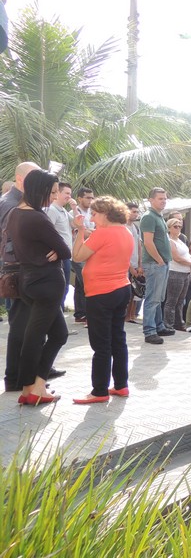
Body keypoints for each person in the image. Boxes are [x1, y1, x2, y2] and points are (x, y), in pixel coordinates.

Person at [7, 169, 71, 405]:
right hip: (46, 283)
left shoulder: (15, 213)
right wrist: (56, 251)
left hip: (29, 280)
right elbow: (65, 250)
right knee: (36, 337)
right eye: (51, 192)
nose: (54, 197)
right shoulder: (37, 218)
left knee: (57, 334)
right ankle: (31, 389)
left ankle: (35, 386)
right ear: (39, 190)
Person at [71, 196, 133, 404]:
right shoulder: (126, 231)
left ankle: (99, 391)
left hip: (101, 293)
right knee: (118, 338)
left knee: (101, 343)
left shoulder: (102, 233)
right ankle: (121, 385)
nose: (92, 218)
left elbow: (77, 256)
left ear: (106, 213)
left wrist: (80, 230)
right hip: (121, 288)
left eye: (95, 214)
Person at [140, 187, 172, 344]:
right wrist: (159, 260)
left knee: (159, 298)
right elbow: (147, 242)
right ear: (151, 200)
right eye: (160, 198)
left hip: (162, 262)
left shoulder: (159, 216)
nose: (163, 201)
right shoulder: (149, 217)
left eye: (165, 198)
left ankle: (159, 326)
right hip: (154, 263)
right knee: (152, 299)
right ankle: (149, 331)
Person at [45, 181, 75, 309]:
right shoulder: (52, 210)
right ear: (58, 193)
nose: (69, 196)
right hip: (59, 256)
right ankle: (56, 316)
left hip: (66, 255)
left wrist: (74, 208)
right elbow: (47, 233)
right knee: (60, 289)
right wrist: (56, 250)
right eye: (66, 193)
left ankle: (58, 315)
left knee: (64, 288)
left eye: (70, 194)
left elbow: (77, 224)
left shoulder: (63, 210)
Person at [164, 217, 191, 331]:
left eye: (180, 226)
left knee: (180, 301)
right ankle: (168, 324)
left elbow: (187, 254)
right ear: (169, 228)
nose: (178, 228)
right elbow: (176, 258)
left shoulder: (180, 241)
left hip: (185, 273)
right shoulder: (169, 241)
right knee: (172, 301)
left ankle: (179, 323)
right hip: (175, 273)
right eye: (175, 226)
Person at [70, 186, 94, 324]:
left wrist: (89, 231)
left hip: (89, 252)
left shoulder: (92, 212)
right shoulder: (73, 212)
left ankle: (80, 314)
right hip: (78, 253)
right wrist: (88, 231)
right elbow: (83, 232)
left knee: (80, 285)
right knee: (87, 283)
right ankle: (89, 315)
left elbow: (94, 231)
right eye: (87, 197)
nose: (90, 200)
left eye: (92, 198)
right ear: (79, 198)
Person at [124, 202, 143, 324]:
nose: (136, 214)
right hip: (125, 265)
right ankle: (125, 316)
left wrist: (140, 264)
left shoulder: (136, 227)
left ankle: (131, 315)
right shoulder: (122, 227)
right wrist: (129, 266)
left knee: (135, 291)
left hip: (136, 264)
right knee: (126, 292)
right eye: (133, 211)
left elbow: (139, 246)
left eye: (137, 212)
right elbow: (121, 249)